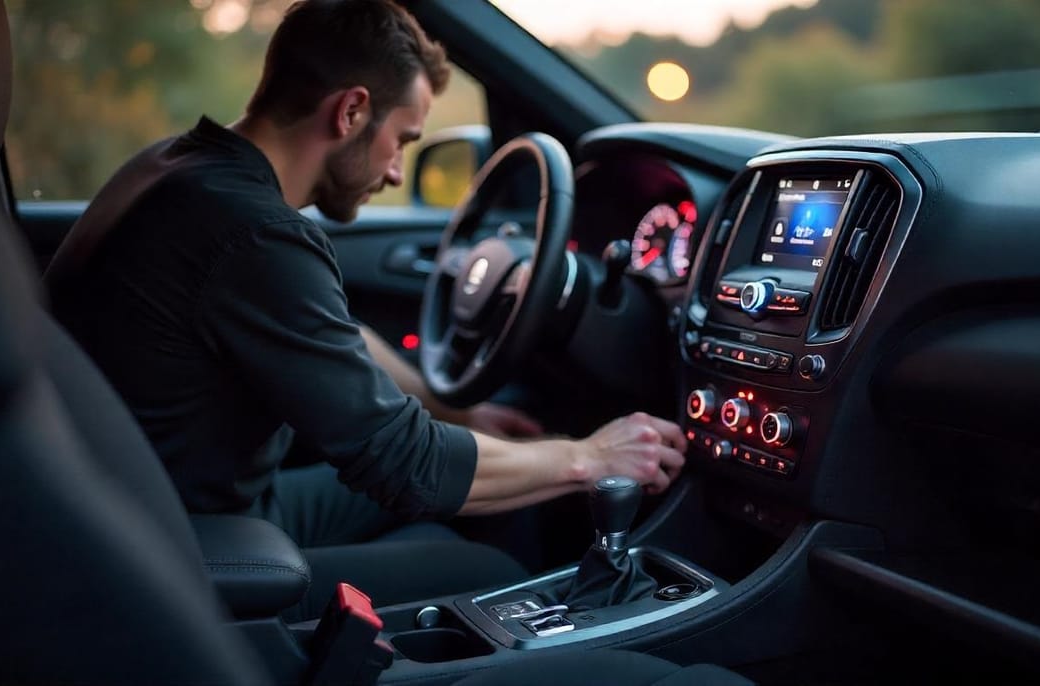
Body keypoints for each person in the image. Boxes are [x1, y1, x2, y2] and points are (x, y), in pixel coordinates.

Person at [44, 0, 686, 619]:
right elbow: (409, 467)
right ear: (351, 111)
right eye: (402, 140)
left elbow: (337, 336)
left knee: (497, 503)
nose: (395, 173)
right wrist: (592, 458)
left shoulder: (174, 167)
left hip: (156, 506)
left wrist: (455, 412)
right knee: (493, 580)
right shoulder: (254, 233)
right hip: (183, 550)